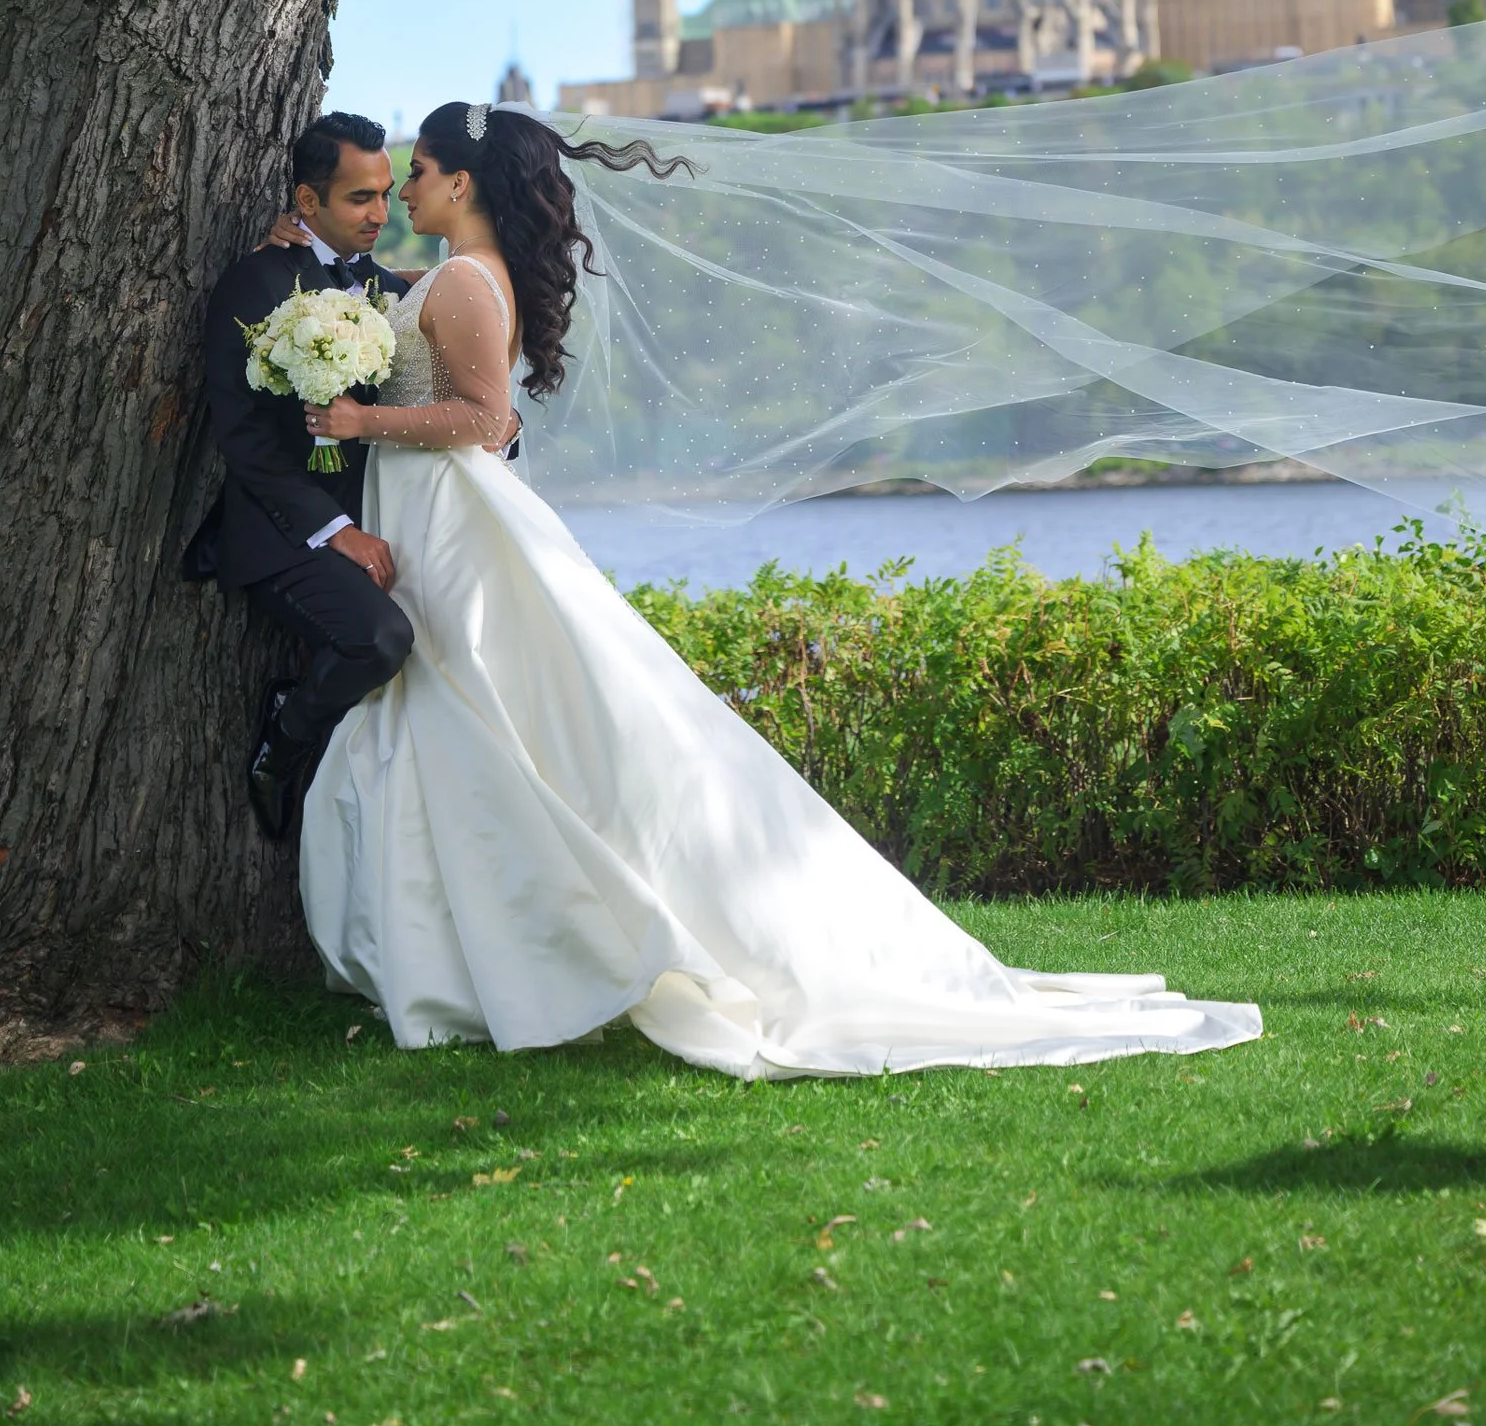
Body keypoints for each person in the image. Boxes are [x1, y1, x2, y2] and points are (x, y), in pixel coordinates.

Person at [291, 100, 1262, 1080]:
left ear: (460, 183)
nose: (404, 189)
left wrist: (358, 420)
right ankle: (489, 951)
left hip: (453, 518)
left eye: (416, 171)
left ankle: (503, 954)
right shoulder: (461, 274)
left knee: (476, 710)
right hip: (446, 511)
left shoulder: (462, 278)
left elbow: (484, 417)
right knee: (476, 714)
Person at [189, 111, 415, 842]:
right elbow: (244, 439)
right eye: (359, 198)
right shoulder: (255, 282)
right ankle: (281, 743)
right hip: (281, 532)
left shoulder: (387, 288)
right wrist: (336, 530)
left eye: (385, 194)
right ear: (306, 202)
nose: (379, 214)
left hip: (382, 516)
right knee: (380, 640)